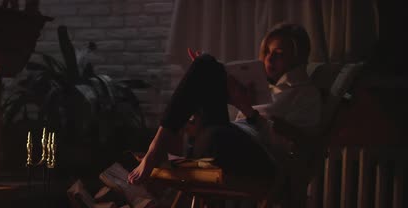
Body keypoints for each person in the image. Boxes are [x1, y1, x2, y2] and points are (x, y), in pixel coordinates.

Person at [128, 22, 322, 184]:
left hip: (259, 158)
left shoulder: (305, 93)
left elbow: (293, 147)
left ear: (296, 59)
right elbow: (231, 123)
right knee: (206, 65)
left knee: (215, 129)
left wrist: (247, 109)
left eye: (279, 53)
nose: (269, 58)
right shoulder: (260, 86)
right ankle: (156, 149)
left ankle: (156, 150)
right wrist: (204, 86)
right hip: (220, 141)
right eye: (268, 52)